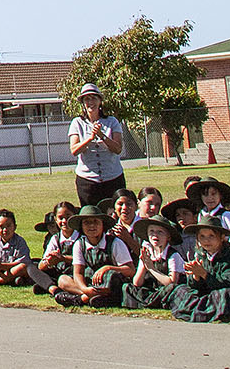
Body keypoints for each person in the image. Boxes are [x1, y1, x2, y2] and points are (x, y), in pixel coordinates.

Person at [170, 215, 230, 323]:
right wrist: (196, 276)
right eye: (202, 236)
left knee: (225, 294)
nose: (206, 240)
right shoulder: (201, 254)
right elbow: (196, 287)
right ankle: (200, 308)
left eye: (211, 236)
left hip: (229, 291)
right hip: (209, 293)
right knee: (181, 289)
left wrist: (205, 274)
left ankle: (204, 309)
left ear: (221, 237)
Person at [53, 202, 132, 307]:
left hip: (110, 283)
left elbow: (130, 270)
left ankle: (82, 299)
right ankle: (86, 296)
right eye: (86, 222)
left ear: (102, 224)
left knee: (111, 277)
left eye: (95, 222)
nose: (91, 226)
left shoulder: (115, 243)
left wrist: (107, 268)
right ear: (81, 226)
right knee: (63, 280)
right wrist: (84, 289)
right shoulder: (79, 244)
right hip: (90, 282)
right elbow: (78, 273)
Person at [67, 81, 124, 210]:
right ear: (83, 103)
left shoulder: (112, 121)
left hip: (113, 178)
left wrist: (102, 136)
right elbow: (74, 150)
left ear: (100, 101)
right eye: (87, 99)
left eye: (94, 98)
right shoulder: (77, 123)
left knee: (114, 214)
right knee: (91, 216)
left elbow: (118, 149)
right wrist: (90, 138)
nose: (90, 102)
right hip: (87, 181)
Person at [121, 214, 186, 310]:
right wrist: (144, 265)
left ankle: (149, 303)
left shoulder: (173, 255)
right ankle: (147, 303)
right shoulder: (147, 252)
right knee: (127, 287)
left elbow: (171, 282)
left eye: (160, 232)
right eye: (151, 231)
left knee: (171, 289)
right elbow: (137, 283)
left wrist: (151, 268)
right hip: (153, 291)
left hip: (167, 291)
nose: (155, 235)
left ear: (168, 236)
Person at [0, 208, 35, 288]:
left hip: (12, 269)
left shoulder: (19, 241)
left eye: (8, 226)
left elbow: (24, 261)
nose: (5, 230)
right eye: (1, 227)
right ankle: (10, 280)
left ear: (15, 227)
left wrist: (3, 266)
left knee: (22, 267)